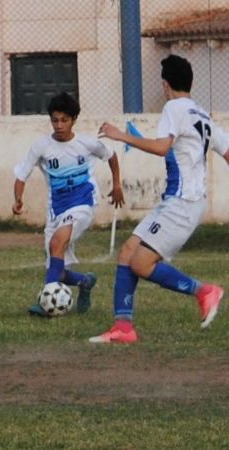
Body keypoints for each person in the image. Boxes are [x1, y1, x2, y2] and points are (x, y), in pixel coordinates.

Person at [92, 54, 229, 344]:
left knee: (141, 263)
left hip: (182, 203)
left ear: (165, 84)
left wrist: (121, 136)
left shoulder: (174, 108)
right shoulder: (201, 114)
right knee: (128, 252)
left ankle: (204, 291)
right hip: (180, 202)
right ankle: (123, 327)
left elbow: (162, 147)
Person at [12, 92, 124, 317]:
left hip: (83, 203)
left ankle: (45, 303)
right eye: (55, 120)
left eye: (64, 120)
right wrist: (18, 199)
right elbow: (21, 175)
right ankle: (84, 281)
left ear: (73, 120)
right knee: (58, 270)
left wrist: (117, 184)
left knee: (57, 242)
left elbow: (110, 155)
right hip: (56, 210)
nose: (59, 125)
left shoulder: (86, 143)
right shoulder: (41, 147)